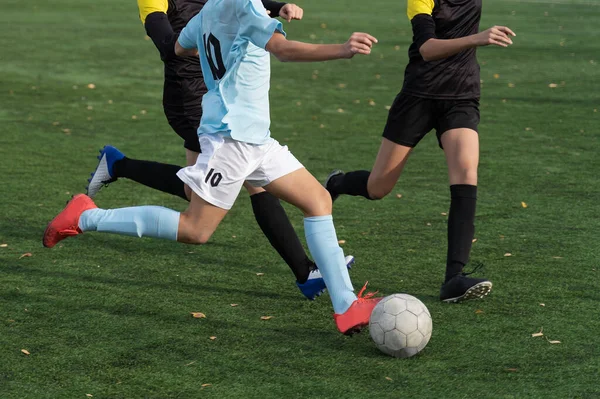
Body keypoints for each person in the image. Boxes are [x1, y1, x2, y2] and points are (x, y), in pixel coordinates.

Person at [43, 0, 382, 335]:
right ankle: (85, 216)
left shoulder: (208, 11)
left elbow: (179, 47)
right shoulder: (243, 5)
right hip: (231, 140)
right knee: (196, 229)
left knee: (318, 201)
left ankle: (346, 306)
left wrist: (223, 51)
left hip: (256, 139)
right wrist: (343, 48)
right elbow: (283, 50)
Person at [325, 0, 516, 303]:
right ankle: (335, 184)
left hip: (461, 96)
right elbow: (427, 48)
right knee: (378, 187)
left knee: (466, 172)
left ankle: (454, 277)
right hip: (419, 96)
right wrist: (479, 37)